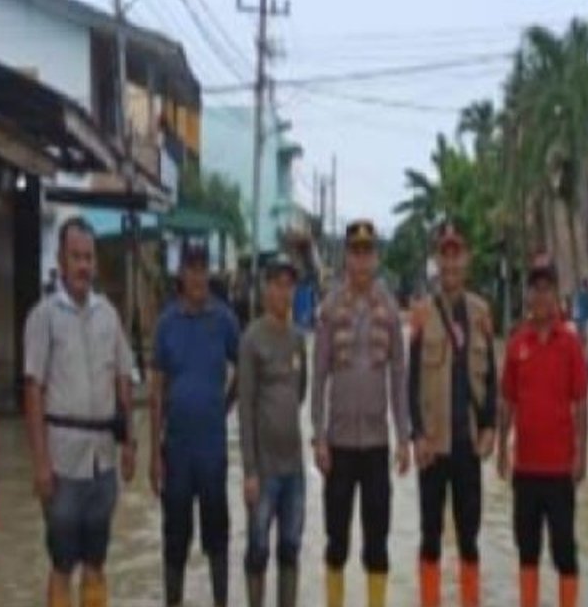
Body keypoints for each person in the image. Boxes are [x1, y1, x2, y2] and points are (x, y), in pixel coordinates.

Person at [24, 217, 136, 607]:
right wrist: (40, 463)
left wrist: (129, 444)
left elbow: (123, 373)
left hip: (102, 459)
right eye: (76, 257)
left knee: (97, 560)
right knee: (61, 561)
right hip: (62, 461)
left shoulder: (108, 314)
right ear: (60, 259)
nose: (83, 265)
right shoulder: (43, 317)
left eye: (89, 257)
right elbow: (33, 390)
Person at [311, 219, 411, 607]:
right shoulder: (330, 308)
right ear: (346, 257)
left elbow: (399, 378)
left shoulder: (389, 309)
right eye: (355, 250)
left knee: (378, 542)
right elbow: (318, 378)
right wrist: (318, 436)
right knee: (336, 540)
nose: (362, 258)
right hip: (337, 445)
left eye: (368, 251)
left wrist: (403, 438)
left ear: (376, 258)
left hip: (375, 445)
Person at [408, 221, 498, 607]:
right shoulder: (422, 315)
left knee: (469, 538)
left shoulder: (481, 314)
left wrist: (491, 427)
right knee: (430, 536)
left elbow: (491, 377)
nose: (450, 263)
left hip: (467, 445)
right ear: (436, 261)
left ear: (467, 260)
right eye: (443, 255)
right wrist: (417, 436)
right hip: (433, 445)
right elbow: (410, 383)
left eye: (456, 254)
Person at [149, 238, 241, 607]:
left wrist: (226, 404)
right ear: (181, 274)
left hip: (213, 450)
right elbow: (155, 392)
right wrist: (154, 456)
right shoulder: (166, 323)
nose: (199, 275)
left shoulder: (225, 320)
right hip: (177, 450)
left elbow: (243, 370)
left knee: (217, 536)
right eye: (192, 268)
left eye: (204, 268)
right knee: (175, 538)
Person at [497, 261, 588, 607]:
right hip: (525, 468)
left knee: (564, 549)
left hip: (560, 469)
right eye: (534, 287)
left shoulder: (570, 344)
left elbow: (580, 403)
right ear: (528, 294)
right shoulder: (517, 343)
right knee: (527, 549)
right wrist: (504, 448)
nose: (540, 294)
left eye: (547, 287)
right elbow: (507, 400)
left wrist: (581, 453)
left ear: (555, 294)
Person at [238, 256, 308, 607]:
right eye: (278, 284)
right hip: (263, 471)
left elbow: (301, 393)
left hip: (294, 467)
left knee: (291, 548)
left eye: (289, 285)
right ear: (266, 289)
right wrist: (249, 470)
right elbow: (245, 406)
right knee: (257, 549)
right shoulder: (251, 339)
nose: (284, 292)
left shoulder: (297, 339)